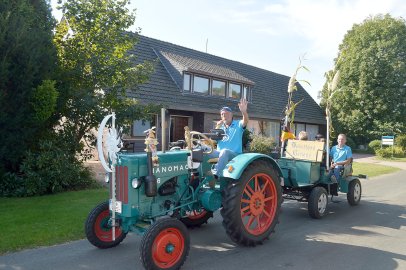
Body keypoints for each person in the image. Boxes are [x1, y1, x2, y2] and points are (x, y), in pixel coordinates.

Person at [210, 98, 249, 177]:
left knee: (225, 151)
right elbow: (212, 141)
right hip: (219, 153)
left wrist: (244, 112)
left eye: (226, 114)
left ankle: (216, 173)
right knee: (203, 149)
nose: (224, 116)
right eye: (222, 114)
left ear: (231, 115)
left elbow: (245, 121)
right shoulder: (220, 128)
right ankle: (196, 175)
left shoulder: (238, 124)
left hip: (234, 154)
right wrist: (217, 128)